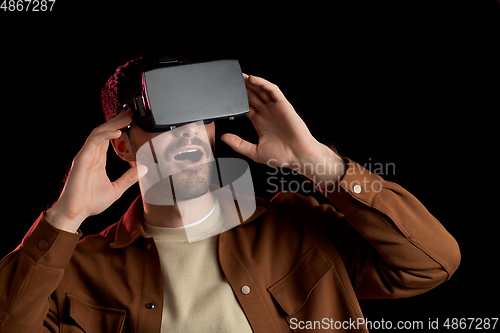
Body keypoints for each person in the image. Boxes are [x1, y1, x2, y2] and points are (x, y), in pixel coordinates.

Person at [0, 57, 460, 333]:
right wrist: (64, 217)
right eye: (166, 121)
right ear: (121, 145)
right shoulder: (79, 270)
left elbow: (432, 264)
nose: (189, 135)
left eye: (199, 116)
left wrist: (320, 165)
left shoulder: (296, 225)